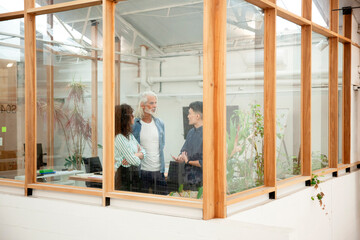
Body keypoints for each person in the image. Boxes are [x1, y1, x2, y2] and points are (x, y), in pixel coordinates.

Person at [133, 91, 167, 195]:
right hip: (142, 171)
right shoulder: (134, 124)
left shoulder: (160, 123)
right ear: (142, 105)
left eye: (155, 103)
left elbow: (162, 144)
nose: (155, 106)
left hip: (159, 171)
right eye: (151, 103)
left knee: (162, 202)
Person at [114, 104, 146, 192]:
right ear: (124, 119)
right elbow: (135, 161)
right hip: (124, 178)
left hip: (134, 177)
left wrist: (135, 154)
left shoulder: (130, 136)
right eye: (131, 114)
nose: (133, 116)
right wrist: (138, 155)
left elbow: (144, 152)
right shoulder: (119, 138)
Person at [172, 101, 203, 190]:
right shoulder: (191, 132)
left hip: (201, 181)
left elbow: (206, 162)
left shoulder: (208, 134)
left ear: (198, 116)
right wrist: (180, 157)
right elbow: (184, 151)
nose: (188, 116)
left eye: (190, 113)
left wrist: (188, 161)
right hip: (188, 180)